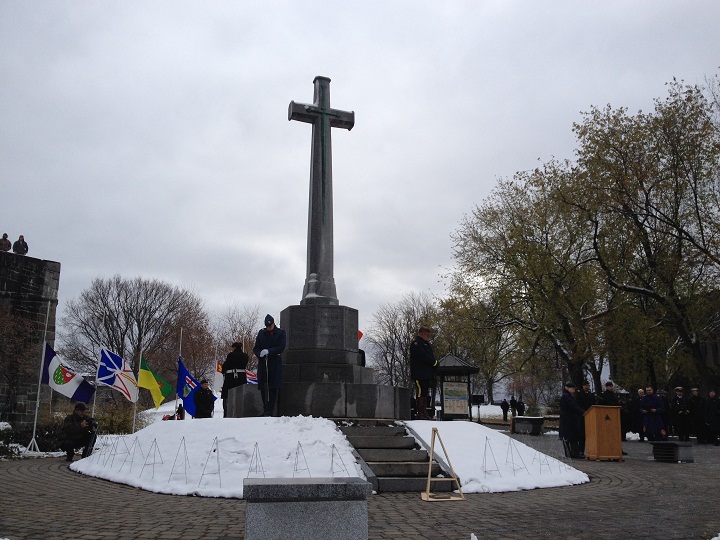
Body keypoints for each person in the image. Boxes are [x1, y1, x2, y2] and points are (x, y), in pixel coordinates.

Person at [253, 314, 287, 417]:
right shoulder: (261, 333)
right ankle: (265, 408)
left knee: (273, 386)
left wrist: (269, 351)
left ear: (273, 324)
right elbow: (256, 347)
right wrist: (260, 353)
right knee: (263, 385)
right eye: (267, 326)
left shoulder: (280, 333)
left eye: (270, 326)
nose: (268, 328)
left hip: (274, 362)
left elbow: (281, 347)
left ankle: (270, 410)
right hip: (263, 362)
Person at [409, 325, 437, 420]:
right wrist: (433, 362)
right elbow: (423, 356)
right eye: (427, 335)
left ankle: (424, 412)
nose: (428, 337)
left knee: (425, 392)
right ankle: (420, 412)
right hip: (419, 373)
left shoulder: (426, 344)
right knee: (421, 392)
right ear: (421, 333)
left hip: (426, 374)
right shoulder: (416, 344)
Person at [221, 342, 249, 417]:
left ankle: (227, 413)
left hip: (230, 377)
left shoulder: (231, 355)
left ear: (234, 348)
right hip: (242, 377)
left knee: (227, 395)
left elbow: (225, 366)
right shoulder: (245, 356)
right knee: (241, 395)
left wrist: (223, 371)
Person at [559, 382, 585, 458]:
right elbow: (573, 406)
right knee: (570, 437)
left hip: (568, 419)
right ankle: (573, 453)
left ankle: (571, 453)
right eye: (572, 388)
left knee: (570, 437)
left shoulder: (567, 396)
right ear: (568, 388)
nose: (574, 390)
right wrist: (582, 412)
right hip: (568, 420)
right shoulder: (567, 397)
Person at [576, 380, 597, 455]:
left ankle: (592, 450)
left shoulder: (591, 395)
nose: (587, 387)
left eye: (588, 385)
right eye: (586, 385)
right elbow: (577, 405)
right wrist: (583, 412)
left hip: (591, 416)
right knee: (582, 434)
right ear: (583, 386)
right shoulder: (579, 395)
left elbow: (594, 405)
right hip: (582, 416)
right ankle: (581, 450)